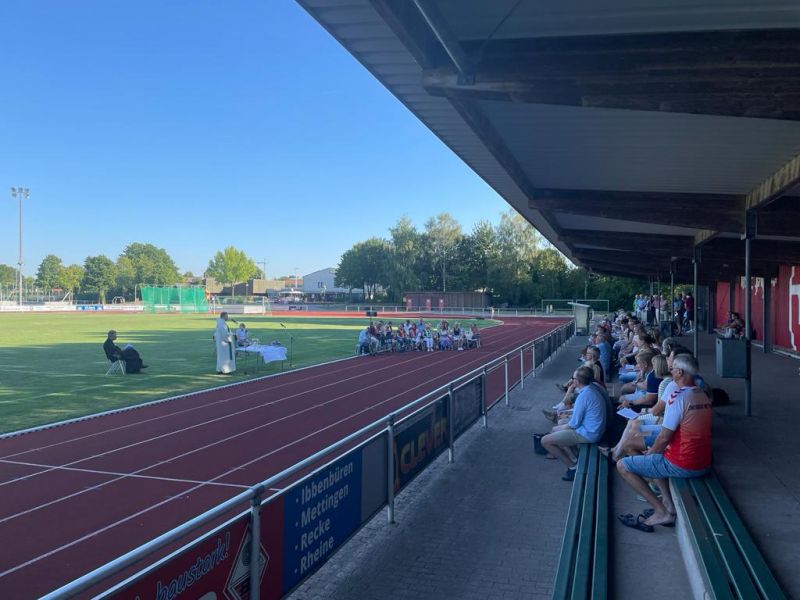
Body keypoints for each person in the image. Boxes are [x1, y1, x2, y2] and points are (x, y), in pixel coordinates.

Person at [616, 354, 713, 530]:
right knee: (653, 457)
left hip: (683, 463)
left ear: (680, 372)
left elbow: (664, 437)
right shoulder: (702, 394)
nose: (670, 370)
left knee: (623, 465)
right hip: (703, 461)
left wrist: (649, 455)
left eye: (673, 368)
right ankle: (668, 503)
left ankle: (661, 512)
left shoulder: (678, 397)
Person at [541, 366, 607, 481]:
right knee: (559, 424)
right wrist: (565, 416)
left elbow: (574, 424)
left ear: (577, 381)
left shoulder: (584, 396)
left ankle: (572, 467)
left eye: (573, 378)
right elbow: (582, 413)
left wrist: (560, 429)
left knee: (545, 441)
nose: (572, 380)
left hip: (589, 434)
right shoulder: (591, 389)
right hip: (594, 429)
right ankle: (577, 457)